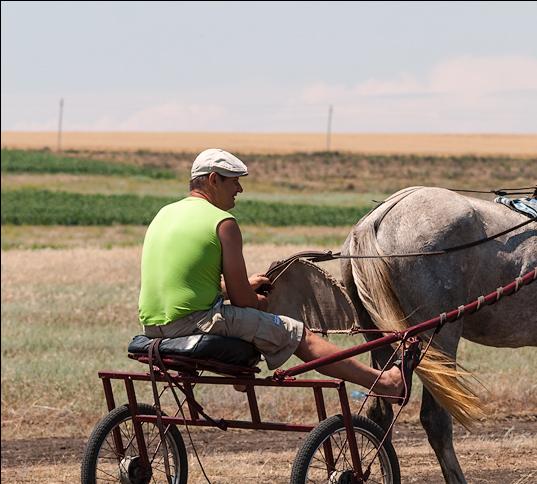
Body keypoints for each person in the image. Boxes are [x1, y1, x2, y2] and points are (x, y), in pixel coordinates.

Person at [138, 148, 409, 402]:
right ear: (213, 180)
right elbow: (245, 302)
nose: (239, 189)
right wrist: (258, 302)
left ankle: (240, 369)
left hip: (153, 327)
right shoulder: (223, 223)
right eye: (234, 181)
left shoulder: (164, 213)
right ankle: (386, 383)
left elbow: (187, 282)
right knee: (299, 334)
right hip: (195, 323)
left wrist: (240, 287)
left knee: (251, 313)